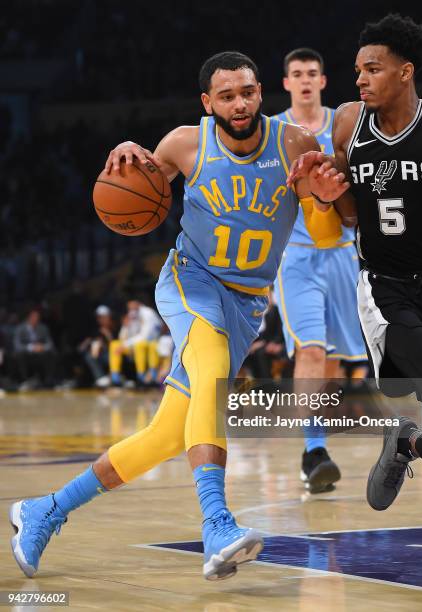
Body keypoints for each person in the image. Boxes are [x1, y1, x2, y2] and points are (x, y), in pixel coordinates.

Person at [9, 51, 348, 582]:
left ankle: (45, 509)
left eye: (248, 92)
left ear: (262, 93)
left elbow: (325, 238)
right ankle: (217, 522)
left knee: (168, 435)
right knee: (210, 370)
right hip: (193, 281)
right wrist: (122, 154)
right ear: (207, 102)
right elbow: (136, 175)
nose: (240, 103)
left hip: (248, 302)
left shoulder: (295, 147)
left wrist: (324, 205)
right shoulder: (185, 143)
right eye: (227, 95)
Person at [288, 14, 422, 590]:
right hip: (385, 288)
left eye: (373, 69)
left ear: (405, 71)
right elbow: (347, 214)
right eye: (357, 69)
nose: (359, 79)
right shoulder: (347, 125)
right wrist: (324, 195)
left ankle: (408, 439)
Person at [273, 48, 366, 493]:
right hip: (296, 257)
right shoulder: (276, 133)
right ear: (287, 82)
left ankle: (318, 443)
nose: (305, 80)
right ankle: (313, 452)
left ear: (323, 81)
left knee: (332, 361)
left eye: (312, 73)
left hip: (345, 252)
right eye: (297, 74)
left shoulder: (344, 126)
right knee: (309, 350)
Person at [109, 299, 162, 387]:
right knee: (114, 344)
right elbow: (122, 337)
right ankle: (115, 378)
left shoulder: (147, 313)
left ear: (138, 303)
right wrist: (125, 326)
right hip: (134, 343)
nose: (131, 308)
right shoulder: (132, 314)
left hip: (151, 342)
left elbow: (145, 336)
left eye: (133, 305)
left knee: (139, 346)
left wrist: (125, 345)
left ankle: (142, 377)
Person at [13, 308, 56, 390]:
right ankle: (24, 381)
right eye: (34, 317)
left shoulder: (43, 328)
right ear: (28, 317)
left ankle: (48, 381)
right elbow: (17, 345)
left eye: (37, 317)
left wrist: (43, 347)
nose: (36, 319)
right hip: (27, 353)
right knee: (19, 355)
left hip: (40, 353)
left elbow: (50, 344)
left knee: (52, 353)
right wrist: (32, 347)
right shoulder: (20, 328)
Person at [79, 305, 115, 388]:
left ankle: (114, 377)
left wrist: (107, 335)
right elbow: (82, 347)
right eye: (99, 318)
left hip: (113, 354)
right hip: (99, 355)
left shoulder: (115, 328)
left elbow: (117, 344)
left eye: (104, 317)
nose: (101, 320)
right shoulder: (95, 330)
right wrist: (90, 343)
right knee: (89, 356)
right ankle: (101, 378)